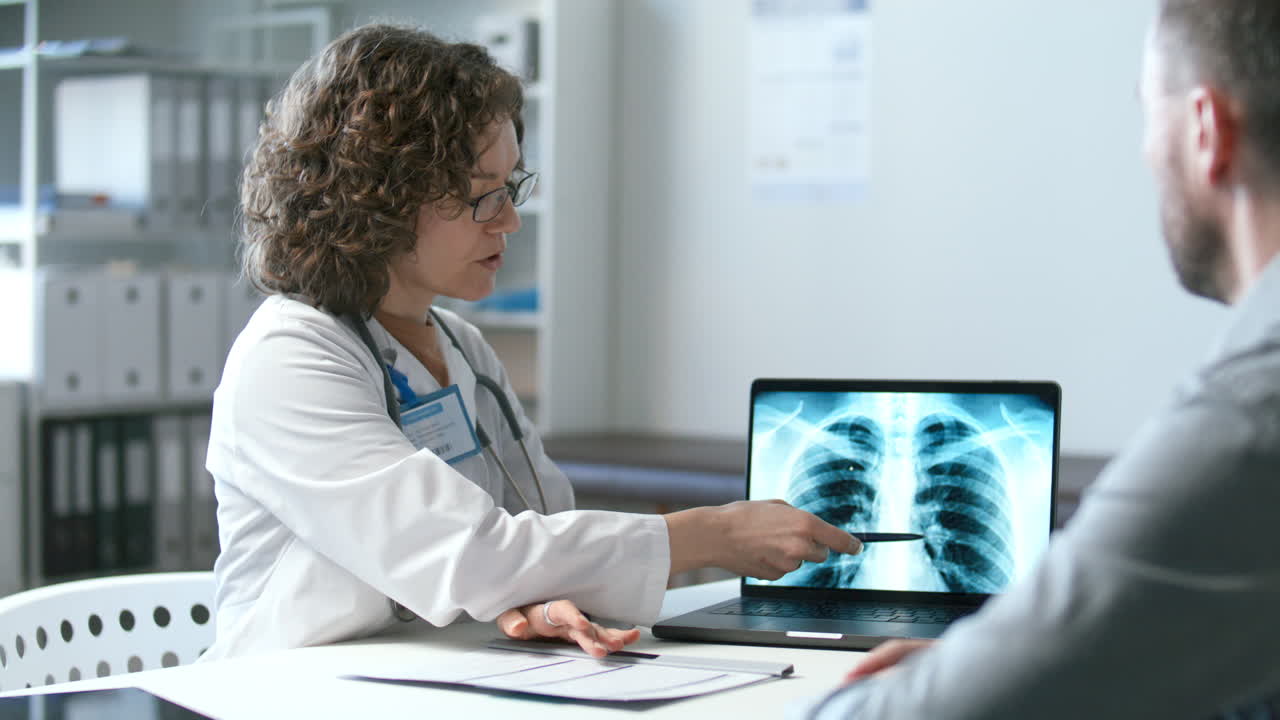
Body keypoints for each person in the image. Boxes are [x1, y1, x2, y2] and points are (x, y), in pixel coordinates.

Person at [202, 24, 861, 662]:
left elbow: (538, 537)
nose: (510, 220)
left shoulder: (462, 348)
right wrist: (713, 534)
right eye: (484, 197)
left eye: (512, 188)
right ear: (381, 200)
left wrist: (541, 603)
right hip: (282, 691)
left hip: (431, 677)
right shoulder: (290, 358)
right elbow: (473, 552)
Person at [803, 1, 1280, 717]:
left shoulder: (1250, 421)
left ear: (1206, 131)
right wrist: (1042, 662)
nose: (1148, 153)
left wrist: (995, 676)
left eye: (1148, 114)